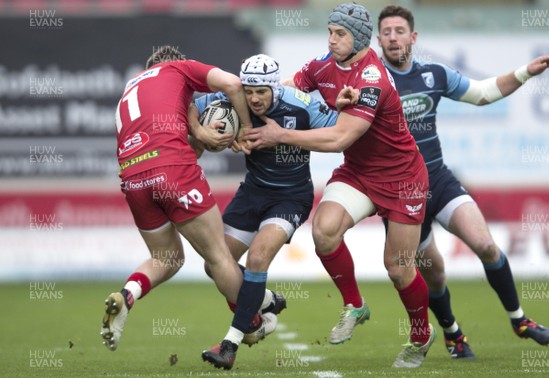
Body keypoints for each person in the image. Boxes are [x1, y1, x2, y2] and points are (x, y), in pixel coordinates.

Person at [246, 3, 436, 369]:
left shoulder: (373, 79)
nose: (332, 40)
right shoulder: (322, 64)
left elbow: (339, 138)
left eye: (340, 34)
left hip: (403, 178)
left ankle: (420, 335)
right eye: (330, 31)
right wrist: (245, 110)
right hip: (360, 173)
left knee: (397, 268)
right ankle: (355, 305)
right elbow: (284, 93)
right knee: (324, 231)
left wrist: (281, 134)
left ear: (360, 38)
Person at [376, 5, 549, 359]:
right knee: (437, 275)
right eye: (387, 32)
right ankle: (453, 333)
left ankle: (520, 320)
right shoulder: (373, 82)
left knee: (486, 245)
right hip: (401, 194)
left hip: (440, 181)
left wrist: (526, 72)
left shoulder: (433, 74)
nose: (394, 37)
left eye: (400, 30)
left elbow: (482, 93)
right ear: (379, 39)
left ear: (413, 37)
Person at [101, 45, 268, 352]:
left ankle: (127, 294)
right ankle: (252, 323)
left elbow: (173, 132)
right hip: (171, 167)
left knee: (168, 257)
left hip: (133, 177)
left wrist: (199, 133)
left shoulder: (129, 90)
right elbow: (232, 84)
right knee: (219, 255)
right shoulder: (178, 68)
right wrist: (244, 129)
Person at [189, 54, 339, 370]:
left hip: (290, 199)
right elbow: (184, 107)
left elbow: (338, 135)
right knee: (214, 264)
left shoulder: (301, 104)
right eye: (248, 91)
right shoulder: (229, 100)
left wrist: (284, 135)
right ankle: (267, 300)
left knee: (257, 258)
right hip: (251, 194)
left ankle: (230, 344)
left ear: (274, 88)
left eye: (261, 92)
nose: (254, 98)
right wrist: (206, 134)